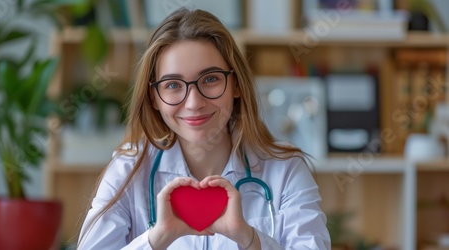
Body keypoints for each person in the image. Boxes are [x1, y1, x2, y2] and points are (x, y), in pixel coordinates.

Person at [78, 8, 330, 250]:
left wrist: (250, 239)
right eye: (173, 85)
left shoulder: (285, 170)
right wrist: (157, 239)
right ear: (154, 97)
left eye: (210, 79)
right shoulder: (128, 170)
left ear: (236, 85)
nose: (194, 103)